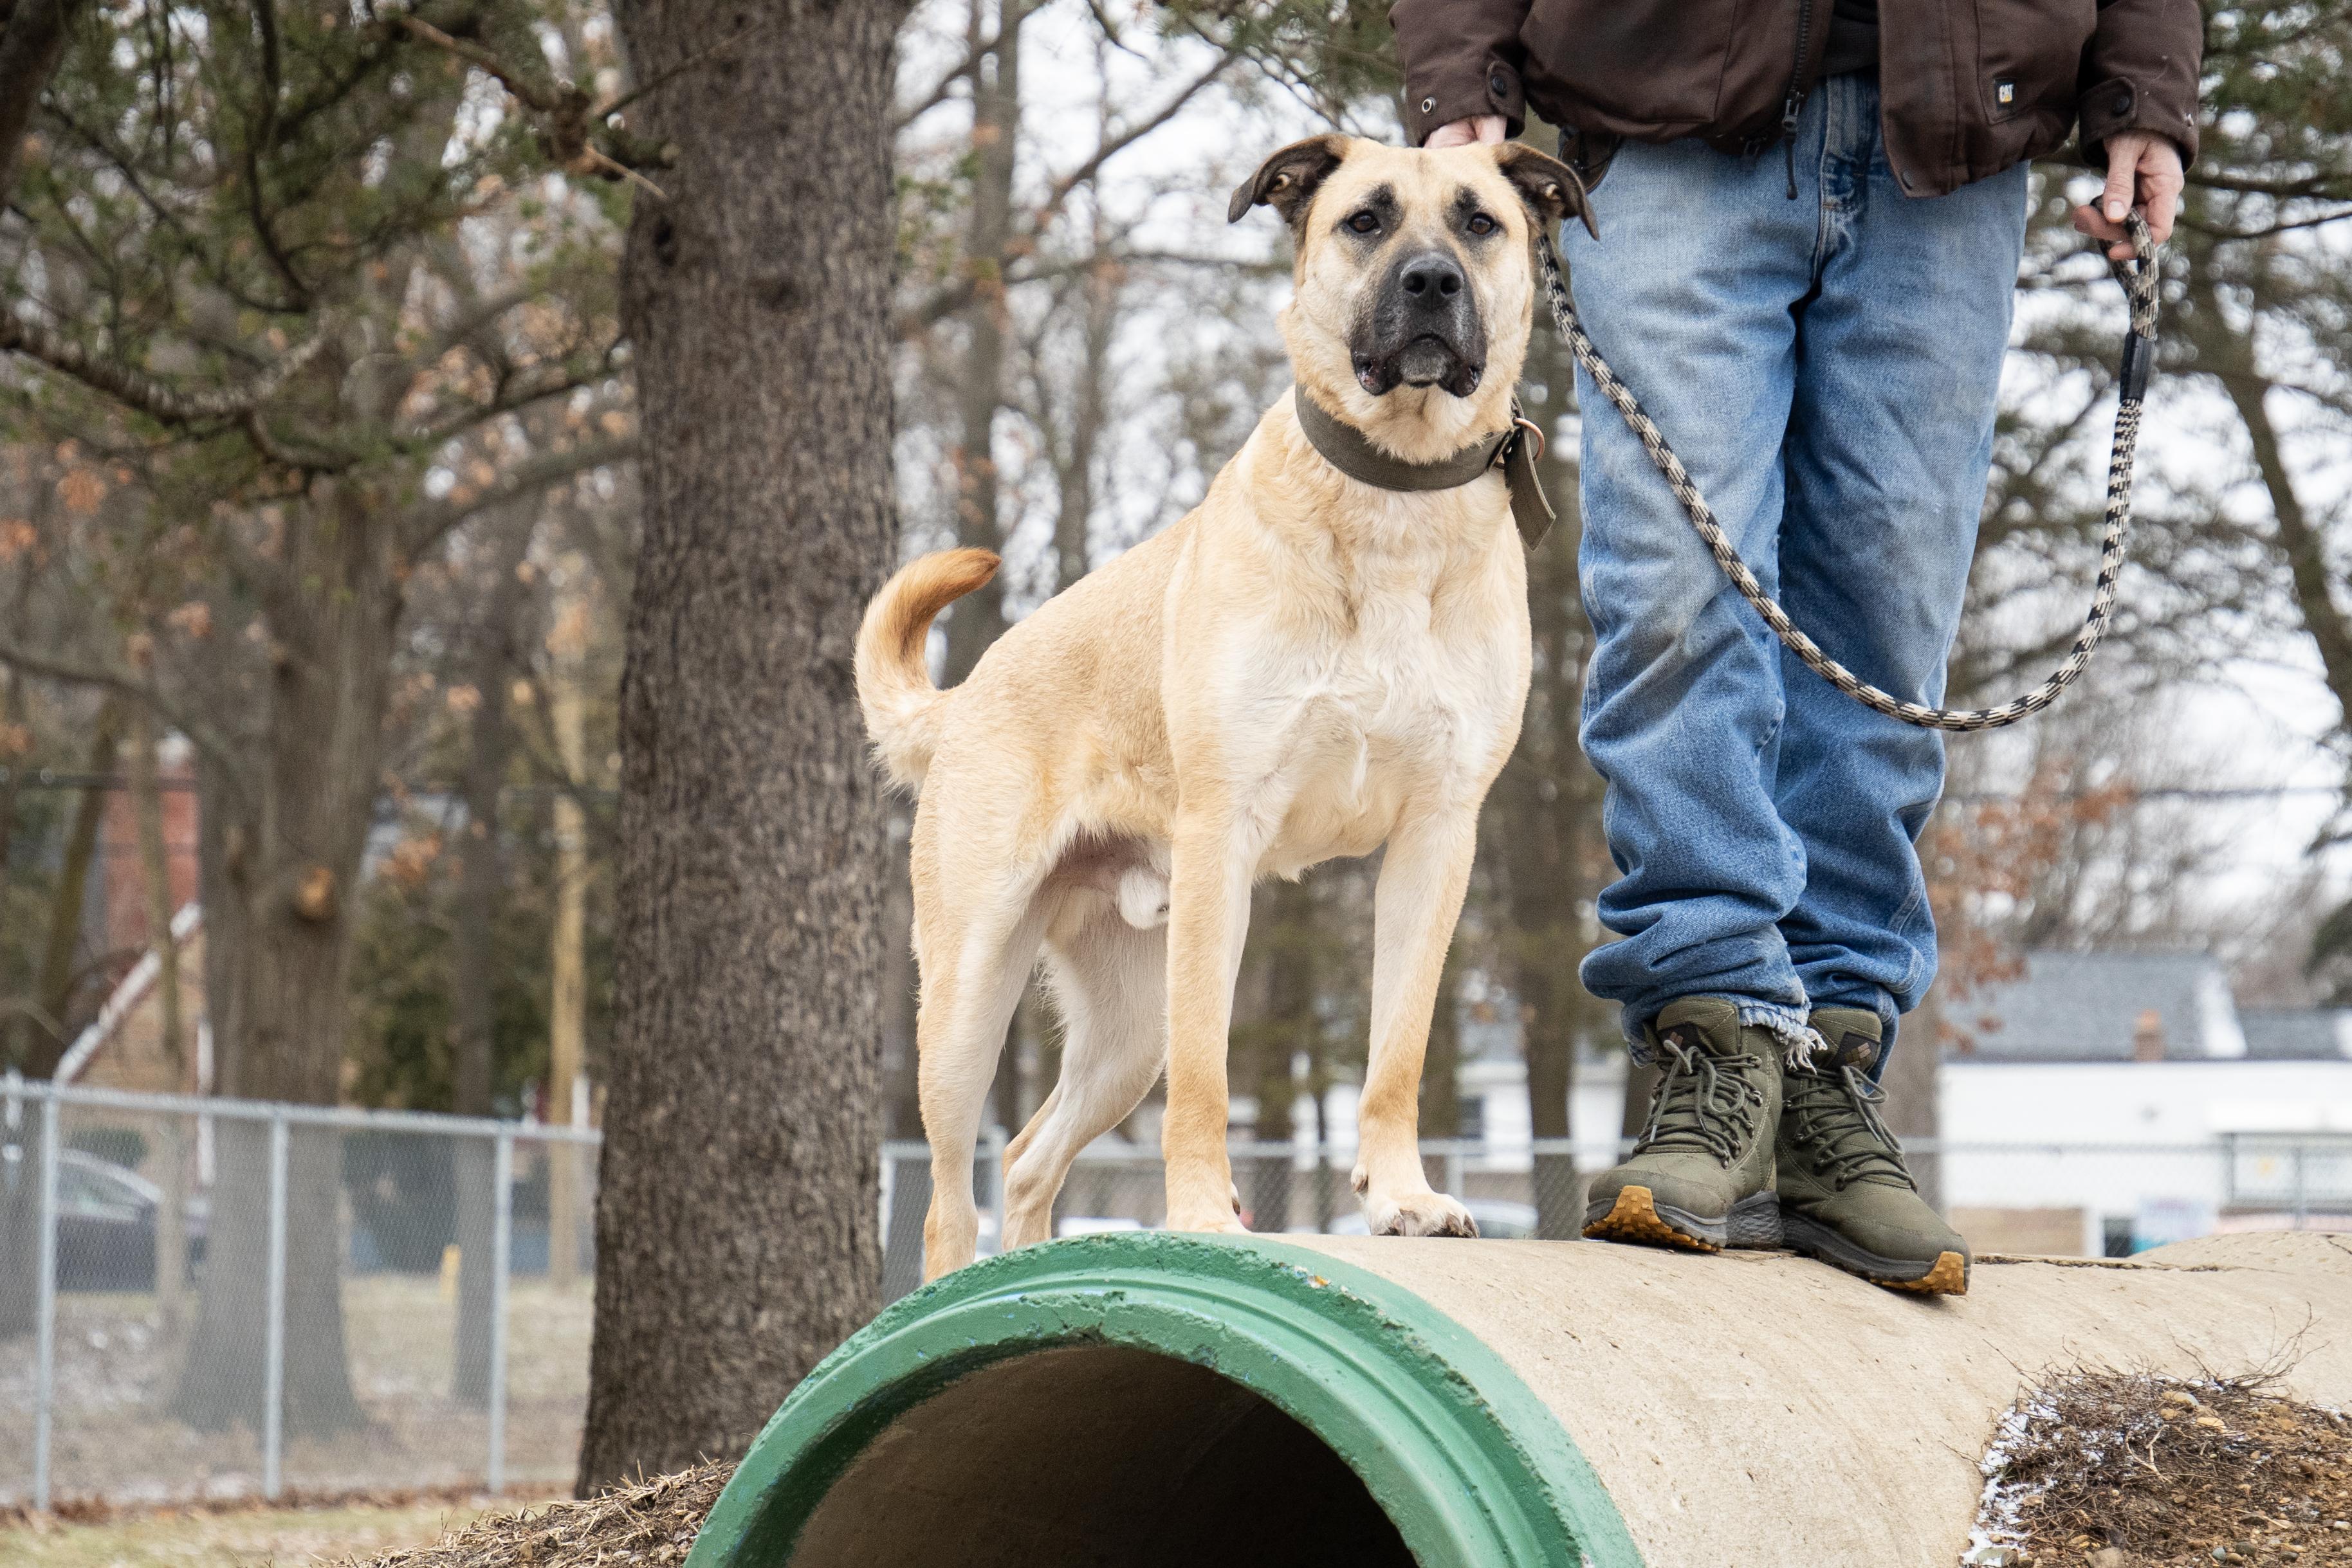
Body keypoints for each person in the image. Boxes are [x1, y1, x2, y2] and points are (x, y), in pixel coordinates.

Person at [1390, 0, 2198, 1293]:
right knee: (1675, 591)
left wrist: (2143, 89)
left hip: (1955, 140)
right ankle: (1715, 1031)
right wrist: (1455, 75)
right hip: (1662, 118)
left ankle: (1828, 1064)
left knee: (1887, 616)